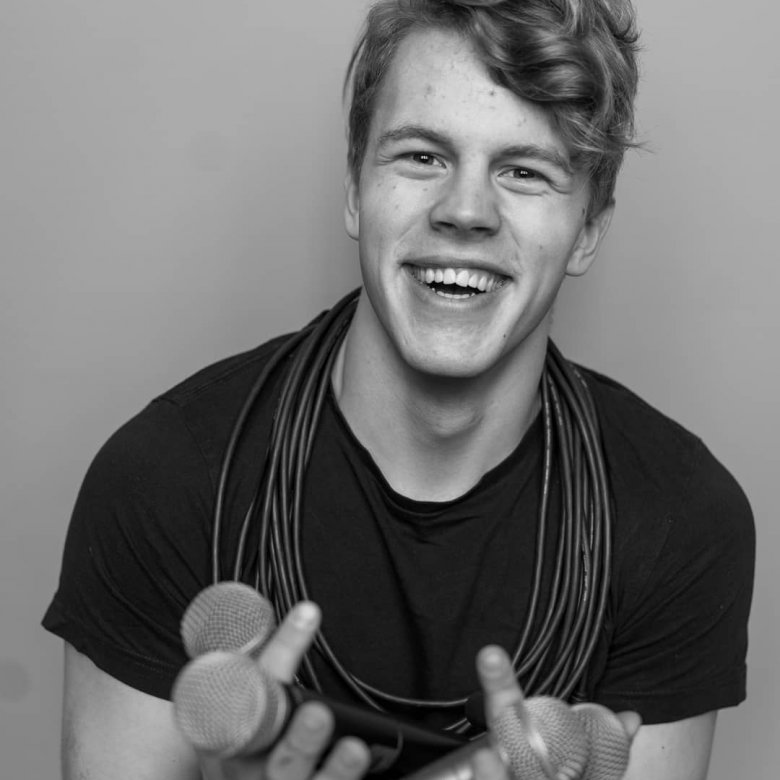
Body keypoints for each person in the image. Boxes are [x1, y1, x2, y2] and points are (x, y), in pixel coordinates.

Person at [43, 1, 755, 778]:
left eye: (524, 171)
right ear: (355, 187)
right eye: (421, 157)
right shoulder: (166, 480)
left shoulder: (678, 521)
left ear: (587, 228)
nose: (465, 212)